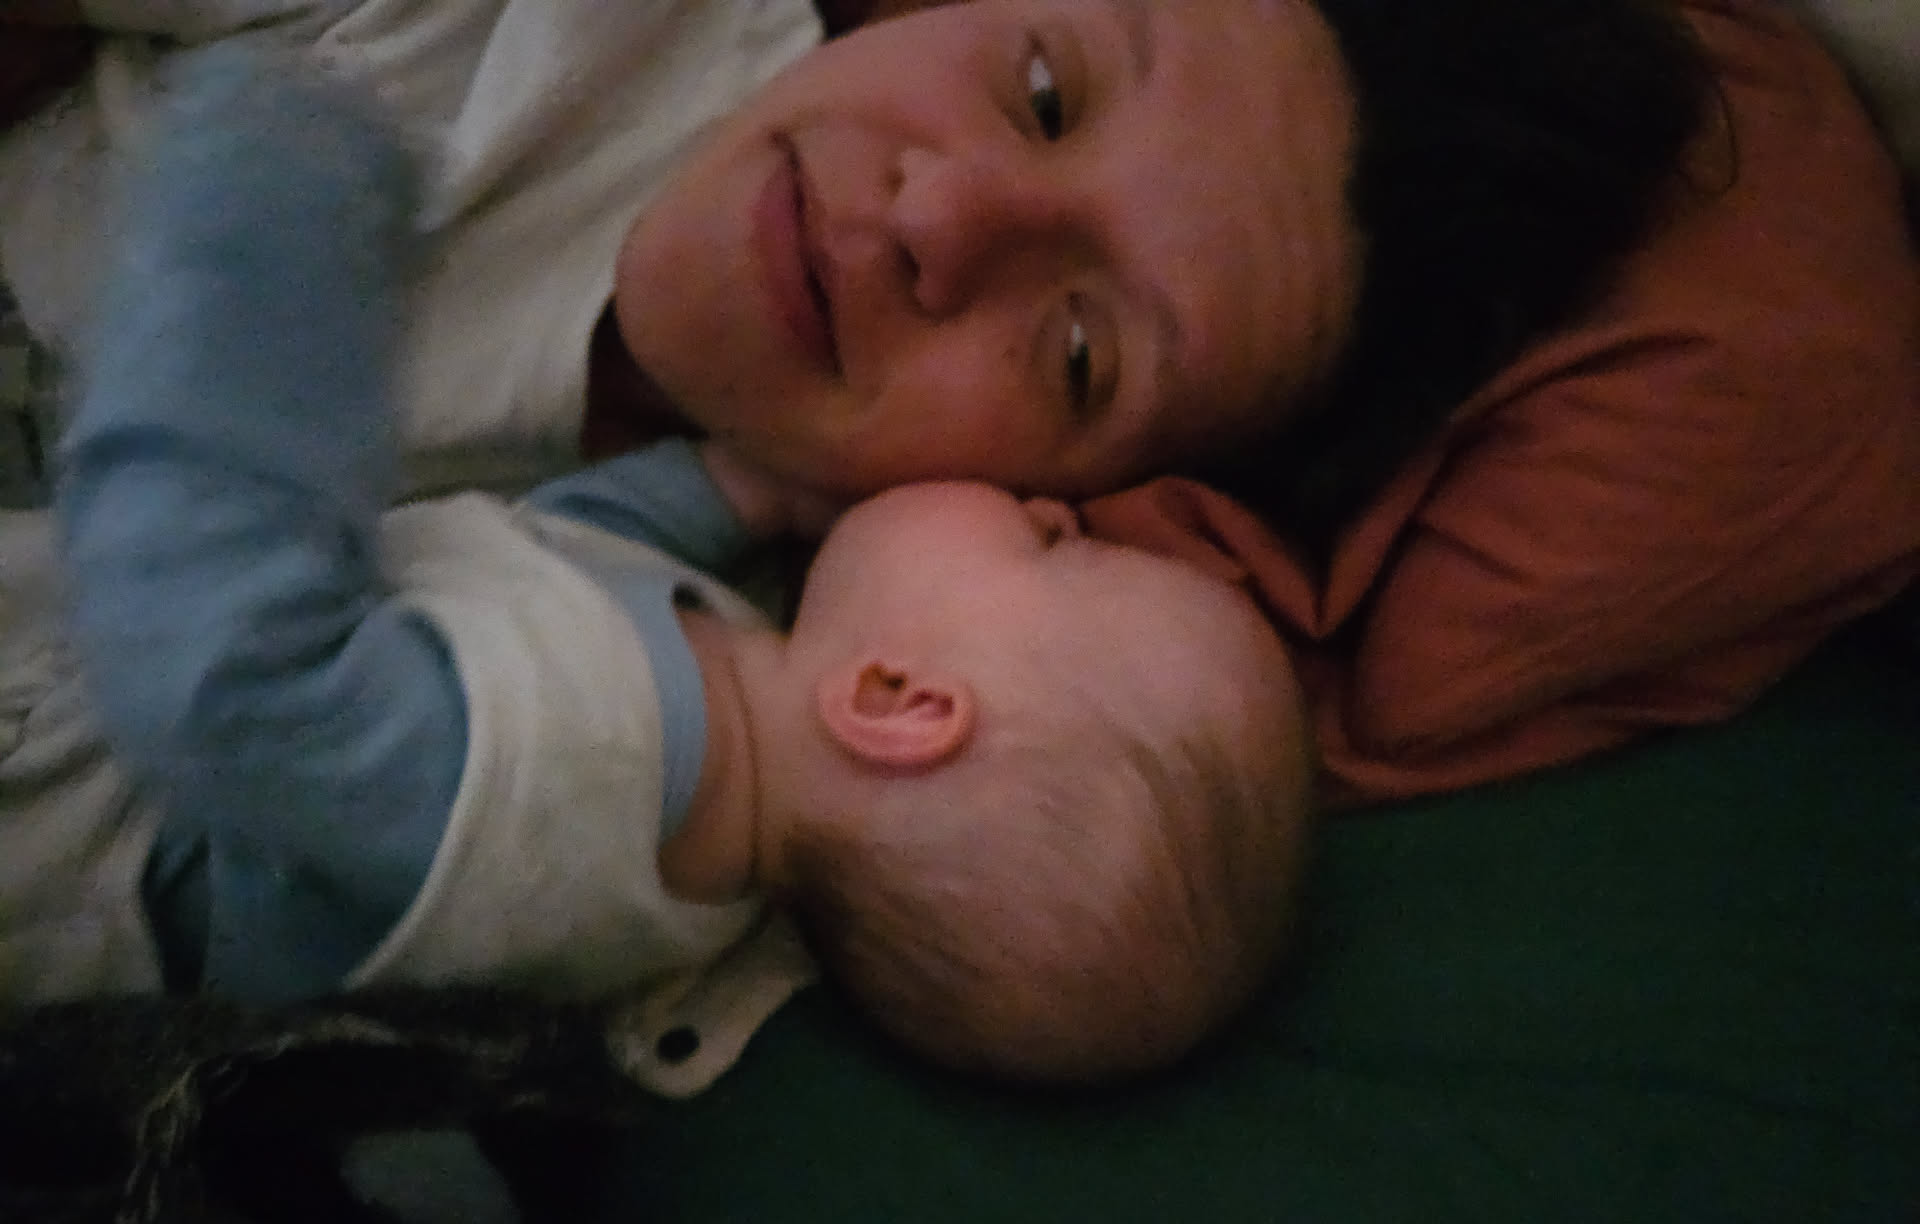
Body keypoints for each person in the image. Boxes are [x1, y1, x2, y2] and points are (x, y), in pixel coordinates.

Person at [1, 0, 1913, 805]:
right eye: (1044, 89)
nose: (942, 219)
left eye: (1080, 354)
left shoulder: (612, 718)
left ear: (1106, 511)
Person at [0, 54, 1314, 1088]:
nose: (1052, 508)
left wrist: (259, 228)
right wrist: (743, 486)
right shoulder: (703, 782)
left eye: (1053, 546)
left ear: (899, 701)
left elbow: (225, 677)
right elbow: (561, 569)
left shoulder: (562, 787)